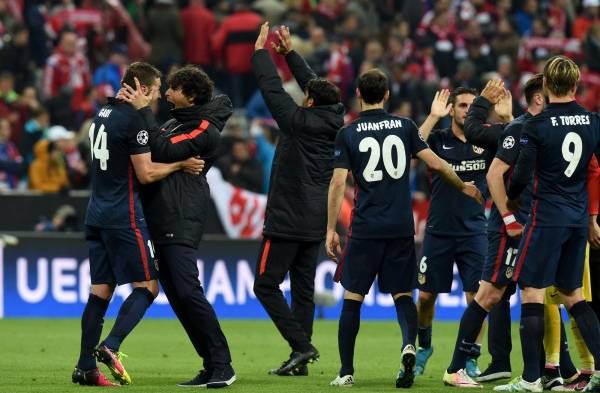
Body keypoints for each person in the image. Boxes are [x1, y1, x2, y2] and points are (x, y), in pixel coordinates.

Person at [326, 68, 483, 388]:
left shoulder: (348, 133)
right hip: (400, 227)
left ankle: (345, 371)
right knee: (402, 295)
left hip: (366, 227)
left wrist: (331, 228)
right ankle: (409, 344)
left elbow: (338, 182)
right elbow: (437, 163)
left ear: (358, 93)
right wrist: (463, 185)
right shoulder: (404, 126)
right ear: (386, 95)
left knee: (353, 297)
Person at [71, 62, 203, 387]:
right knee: (147, 287)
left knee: (100, 291)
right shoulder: (134, 120)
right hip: (124, 217)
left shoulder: (101, 115)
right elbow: (145, 173)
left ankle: (85, 367)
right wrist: (179, 164)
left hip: (96, 215)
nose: (159, 95)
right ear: (142, 88)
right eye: (157, 89)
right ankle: (111, 345)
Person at [118, 65, 236, 388]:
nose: (166, 93)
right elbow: (158, 152)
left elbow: (163, 149)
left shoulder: (204, 129)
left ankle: (223, 364)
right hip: (161, 215)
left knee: (187, 290)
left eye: (173, 88)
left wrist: (144, 113)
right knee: (177, 295)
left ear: (191, 94)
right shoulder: (174, 123)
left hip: (182, 215)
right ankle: (211, 364)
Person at [496, 55, 600, 392]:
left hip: (546, 218)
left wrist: (511, 201)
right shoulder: (592, 121)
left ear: (547, 86)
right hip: (576, 219)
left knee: (531, 291)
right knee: (573, 294)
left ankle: (530, 379)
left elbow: (521, 176)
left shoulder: (536, 125)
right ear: (575, 85)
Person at [251, 23, 345, 376]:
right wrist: (289, 54)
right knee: (303, 292)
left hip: (287, 218)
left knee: (265, 285)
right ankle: (299, 361)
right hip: (314, 220)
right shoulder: (334, 116)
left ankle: (302, 346)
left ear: (307, 100)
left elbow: (270, 88)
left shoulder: (296, 121)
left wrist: (261, 54)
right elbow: (317, 86)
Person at [441, 75, 545, 388]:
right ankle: (455, 367)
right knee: (489, 294)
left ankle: (540, 373)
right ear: (540, 98)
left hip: (535, 222)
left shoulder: (538, 128)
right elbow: (475, 131)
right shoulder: (518, 129)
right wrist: (483, 103)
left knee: (535, 294)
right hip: (509, 225)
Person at [414, 87, 493, 378]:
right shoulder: (437, 140)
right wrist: (433, 117)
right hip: (439, 230)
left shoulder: (487, 141)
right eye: (461, 105)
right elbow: (411, 149)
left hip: (474, 231)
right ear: (451, 110)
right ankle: (424, 346)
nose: (466, 110)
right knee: (425, 298)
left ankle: (471, 356)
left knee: (477, 297)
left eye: (472, 106)